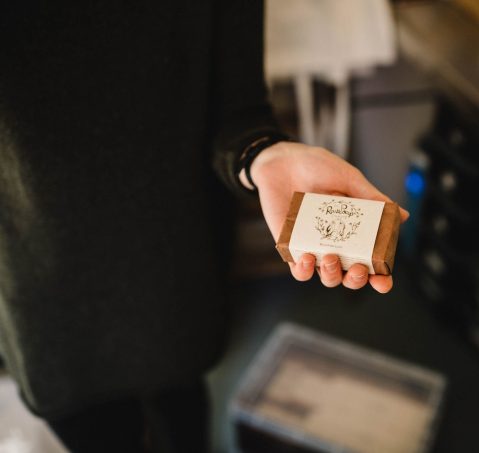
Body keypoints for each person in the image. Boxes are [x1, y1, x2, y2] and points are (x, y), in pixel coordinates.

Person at [0, 1, 406, 452]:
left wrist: (263, 153)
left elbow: (239, 109)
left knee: (183, 418)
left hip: (177, 266)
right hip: (40, 289)